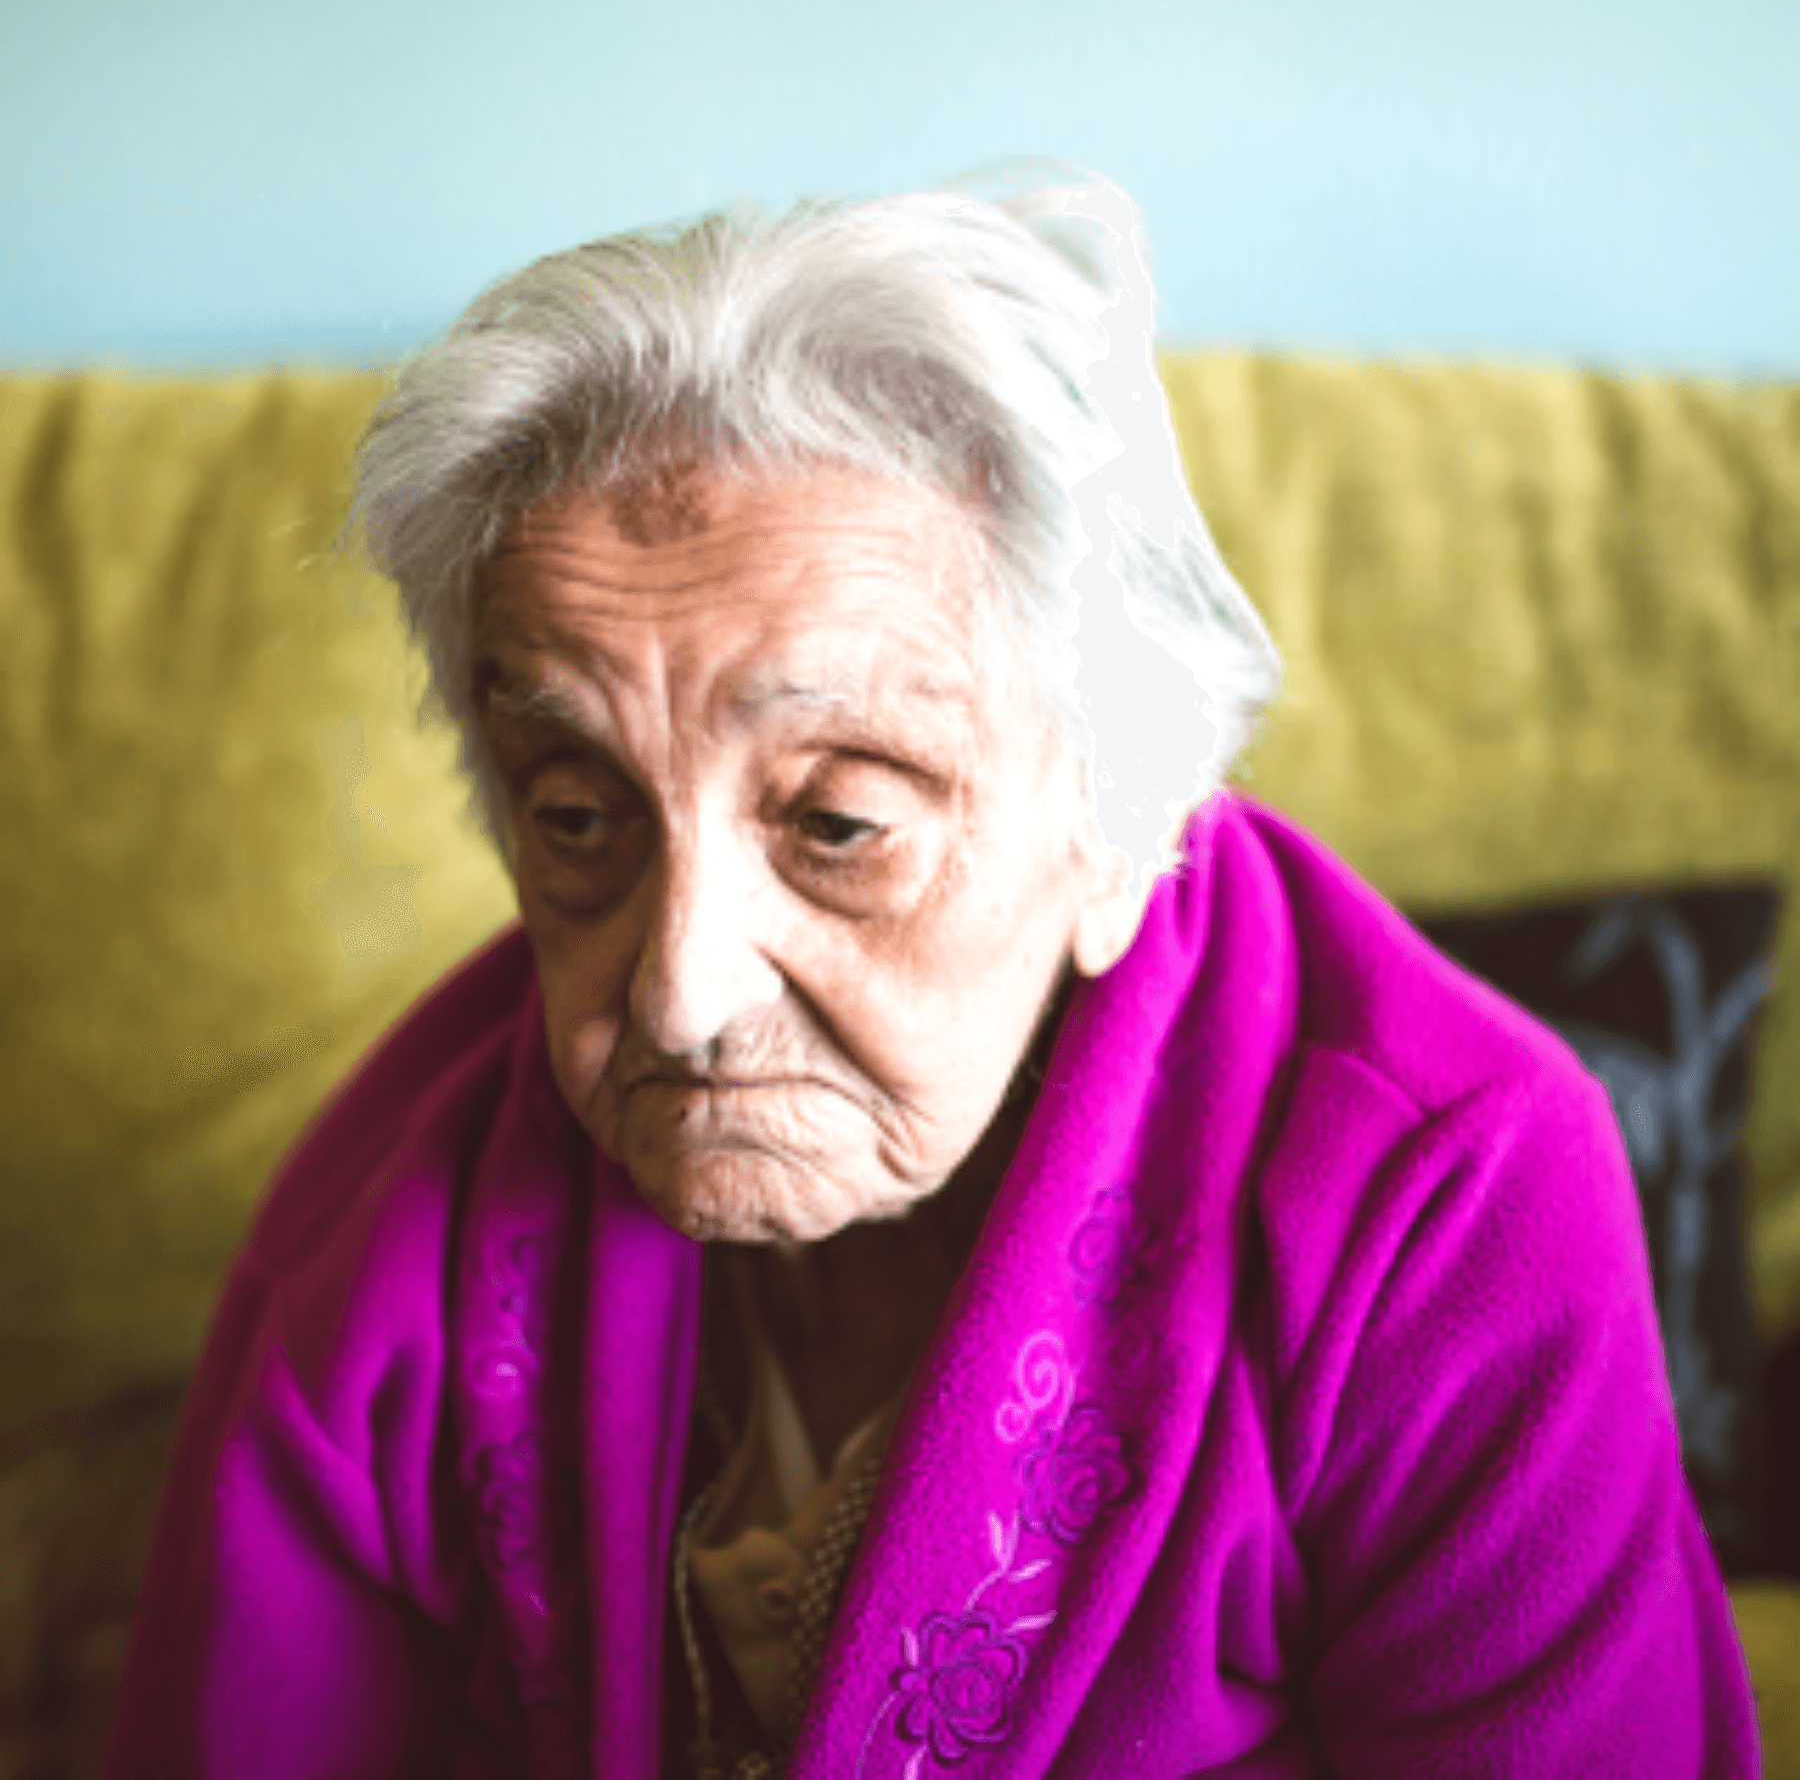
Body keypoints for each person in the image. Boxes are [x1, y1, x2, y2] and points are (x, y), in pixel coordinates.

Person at [104, 168, 1757, 1779]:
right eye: (579, 816)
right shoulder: (401, 1214)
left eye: (835, 822)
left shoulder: (1444, 1197)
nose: (678, 994)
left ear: (1119, 827)